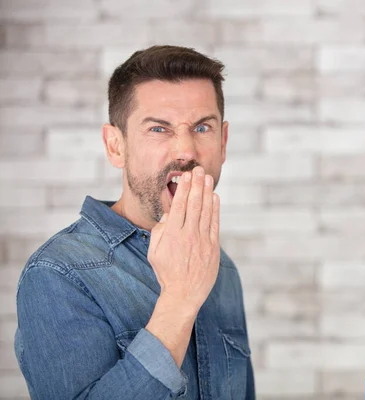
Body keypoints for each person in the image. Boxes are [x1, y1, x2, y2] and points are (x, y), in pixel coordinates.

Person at [14, 45, 255, 399]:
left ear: (223, 141)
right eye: (159, 129)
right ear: (116, 146)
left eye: (203, 127)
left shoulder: (221, 266)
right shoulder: (58, 272)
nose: (187, 151)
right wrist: (179, 302)